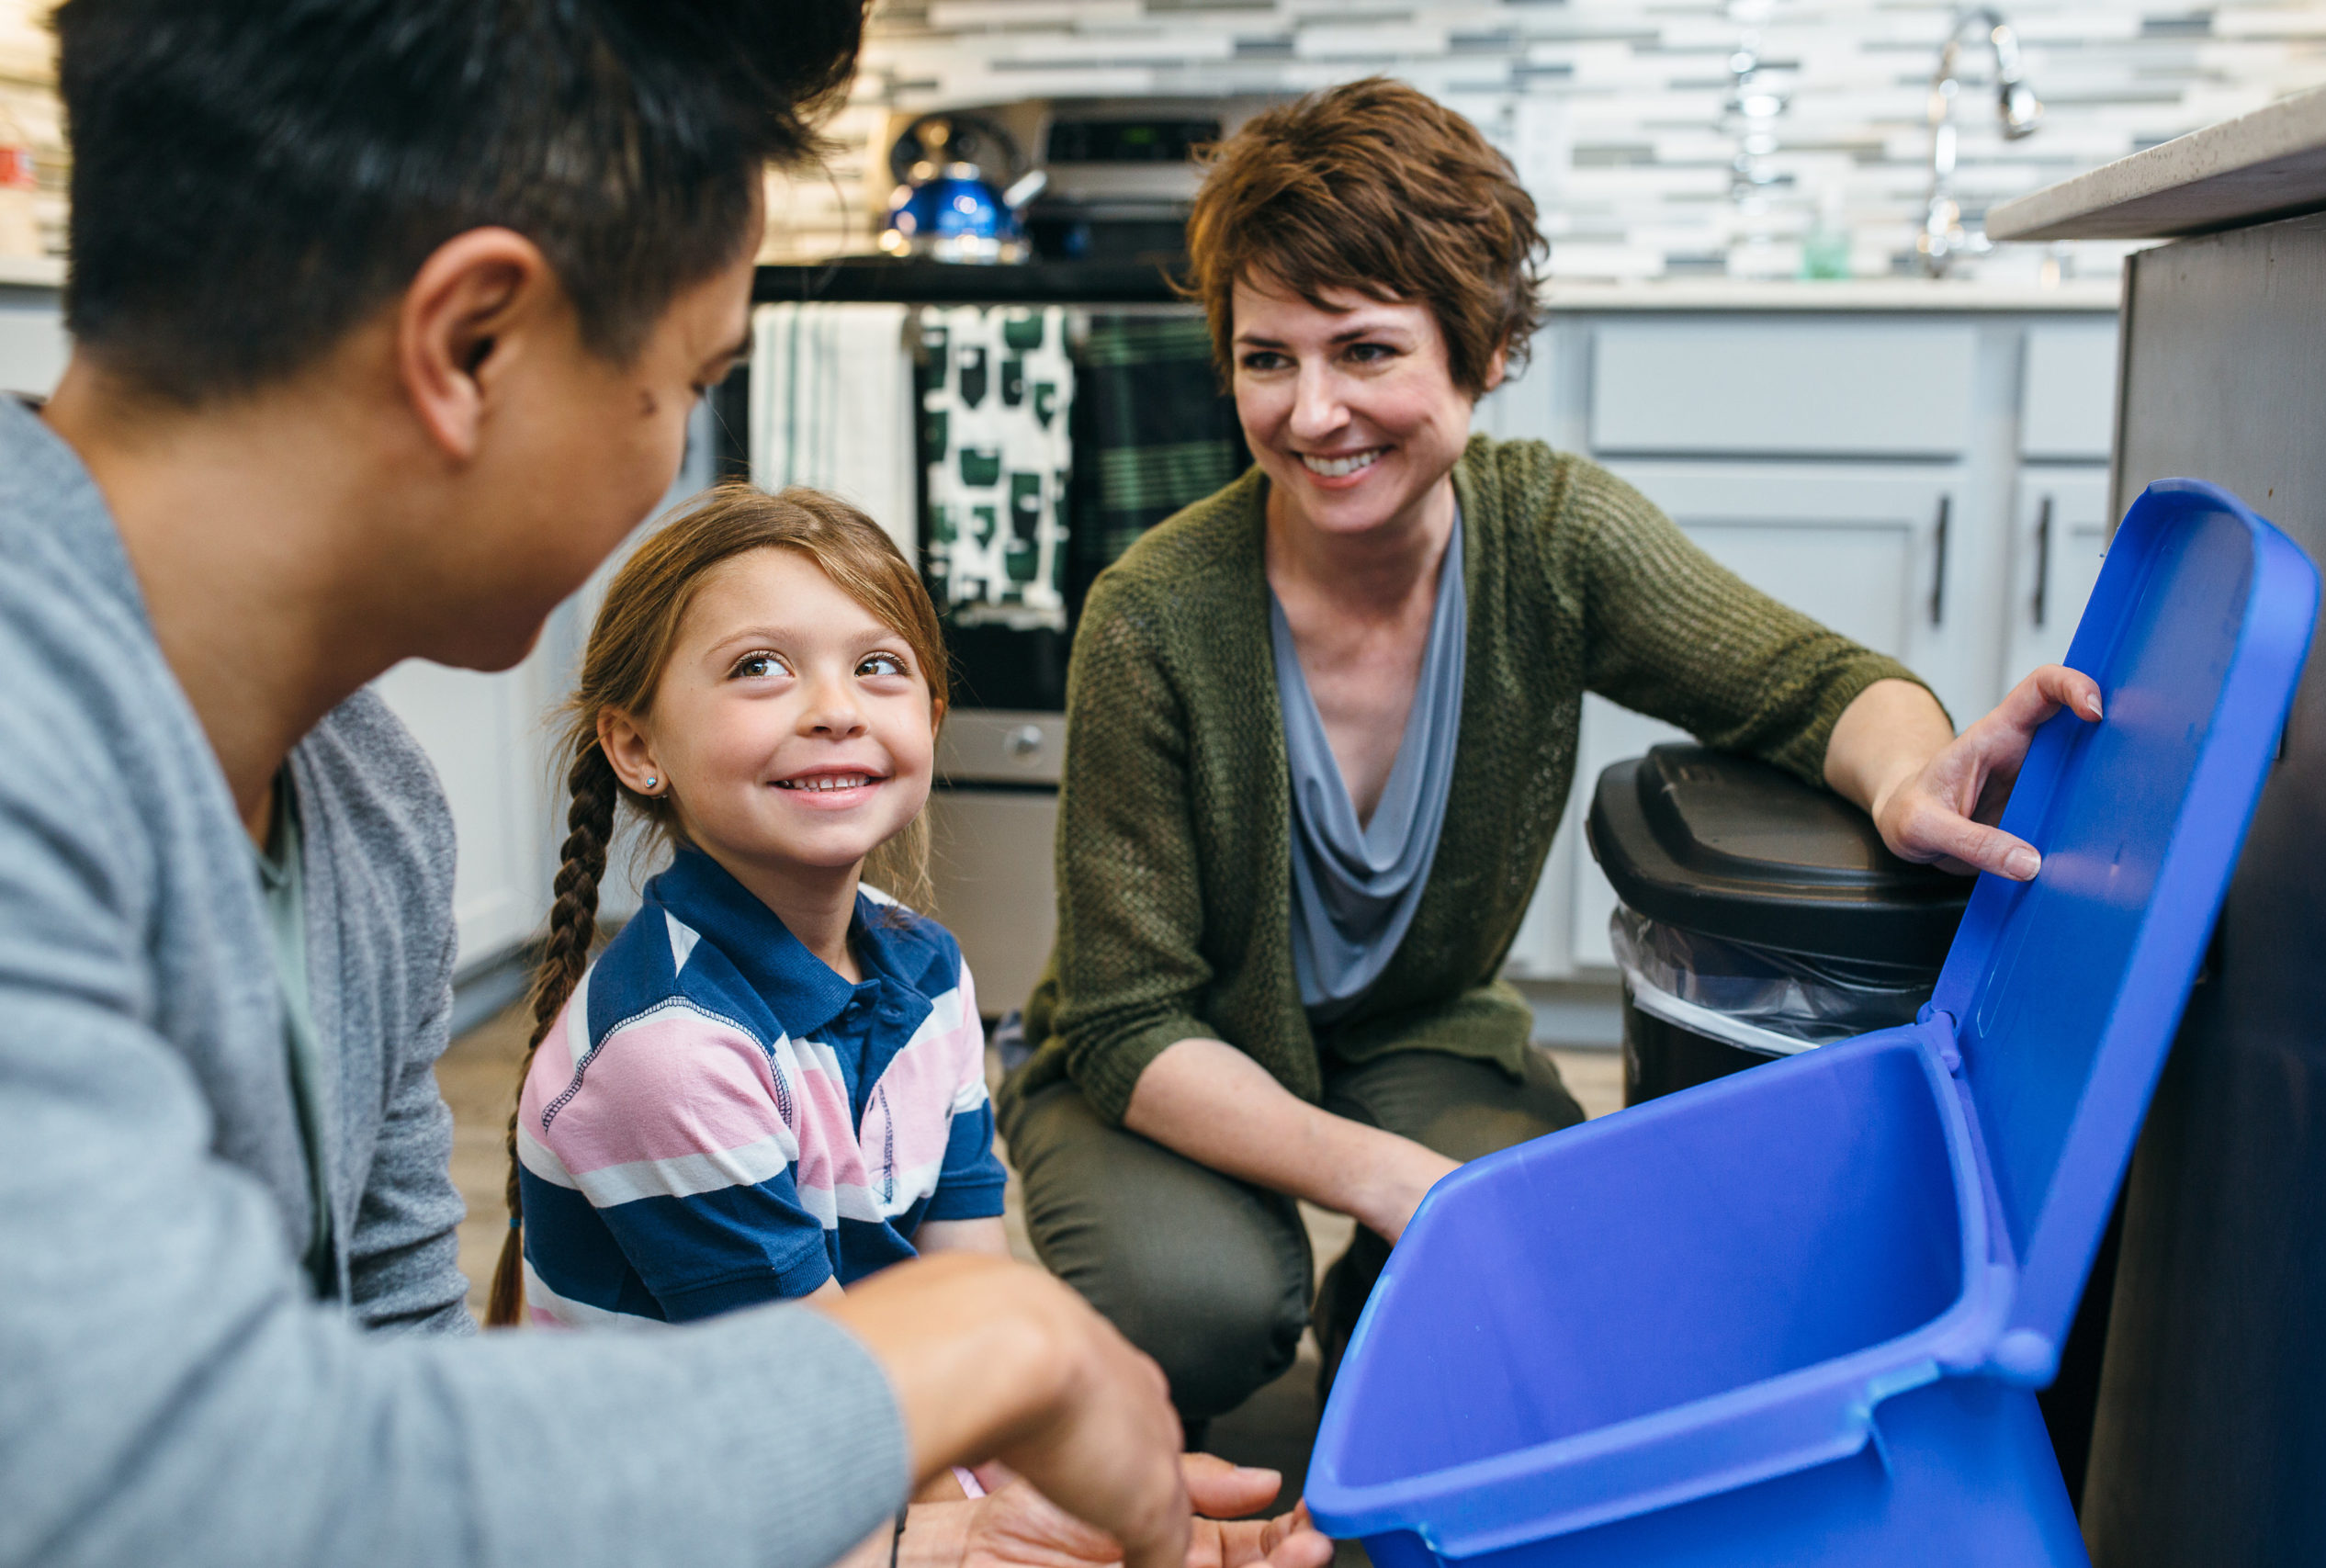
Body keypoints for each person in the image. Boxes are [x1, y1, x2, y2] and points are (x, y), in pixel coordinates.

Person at [0, 5, 1330, 1567]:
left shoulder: (366, 804)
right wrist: (985, 1345)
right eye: (690, 380)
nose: (672, 457)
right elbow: (152, 1484)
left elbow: (402, 1372)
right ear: (471, 344)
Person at [1001, 76, 2106, 1431]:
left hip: (1419, 1032)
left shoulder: (1552, 540)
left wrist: (1905, 776)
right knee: (1205, 1302)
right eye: (1266, 356)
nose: (1309, 412)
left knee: (1547, 1273)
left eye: (1364, 351)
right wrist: (1397, 1179)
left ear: (1482, 348)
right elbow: (1126, 1021)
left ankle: (1382, 1326)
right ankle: (1333, 1292)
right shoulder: (1154, 614)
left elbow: (1814, 684)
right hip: (1166, 1060)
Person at [497, 486, 1012, 1328]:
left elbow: (974, 1300)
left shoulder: (931, 968)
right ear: (637, 745)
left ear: (932, 715)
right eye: (759, 666)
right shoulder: (669, 1050)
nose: (837, 711)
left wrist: (1027, 1454)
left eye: (879, 665)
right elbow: (825, 1407)